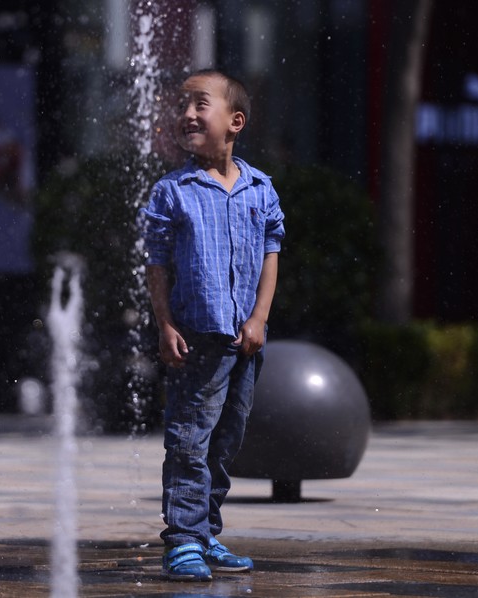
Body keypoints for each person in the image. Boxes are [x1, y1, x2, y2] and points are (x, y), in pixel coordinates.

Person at [141, 69, 285, 581]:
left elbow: (272, 249)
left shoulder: (260, 189)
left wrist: (260, 318)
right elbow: (157, 261)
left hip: (245, 339)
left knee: (226, 440)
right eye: (182, 106)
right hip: (196, 336)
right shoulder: (172, 191)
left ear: (235, 122)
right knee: (188, 439)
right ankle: (181, 540)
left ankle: (206, 533)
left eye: (200, 104)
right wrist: (164, 323)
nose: (187, 115)